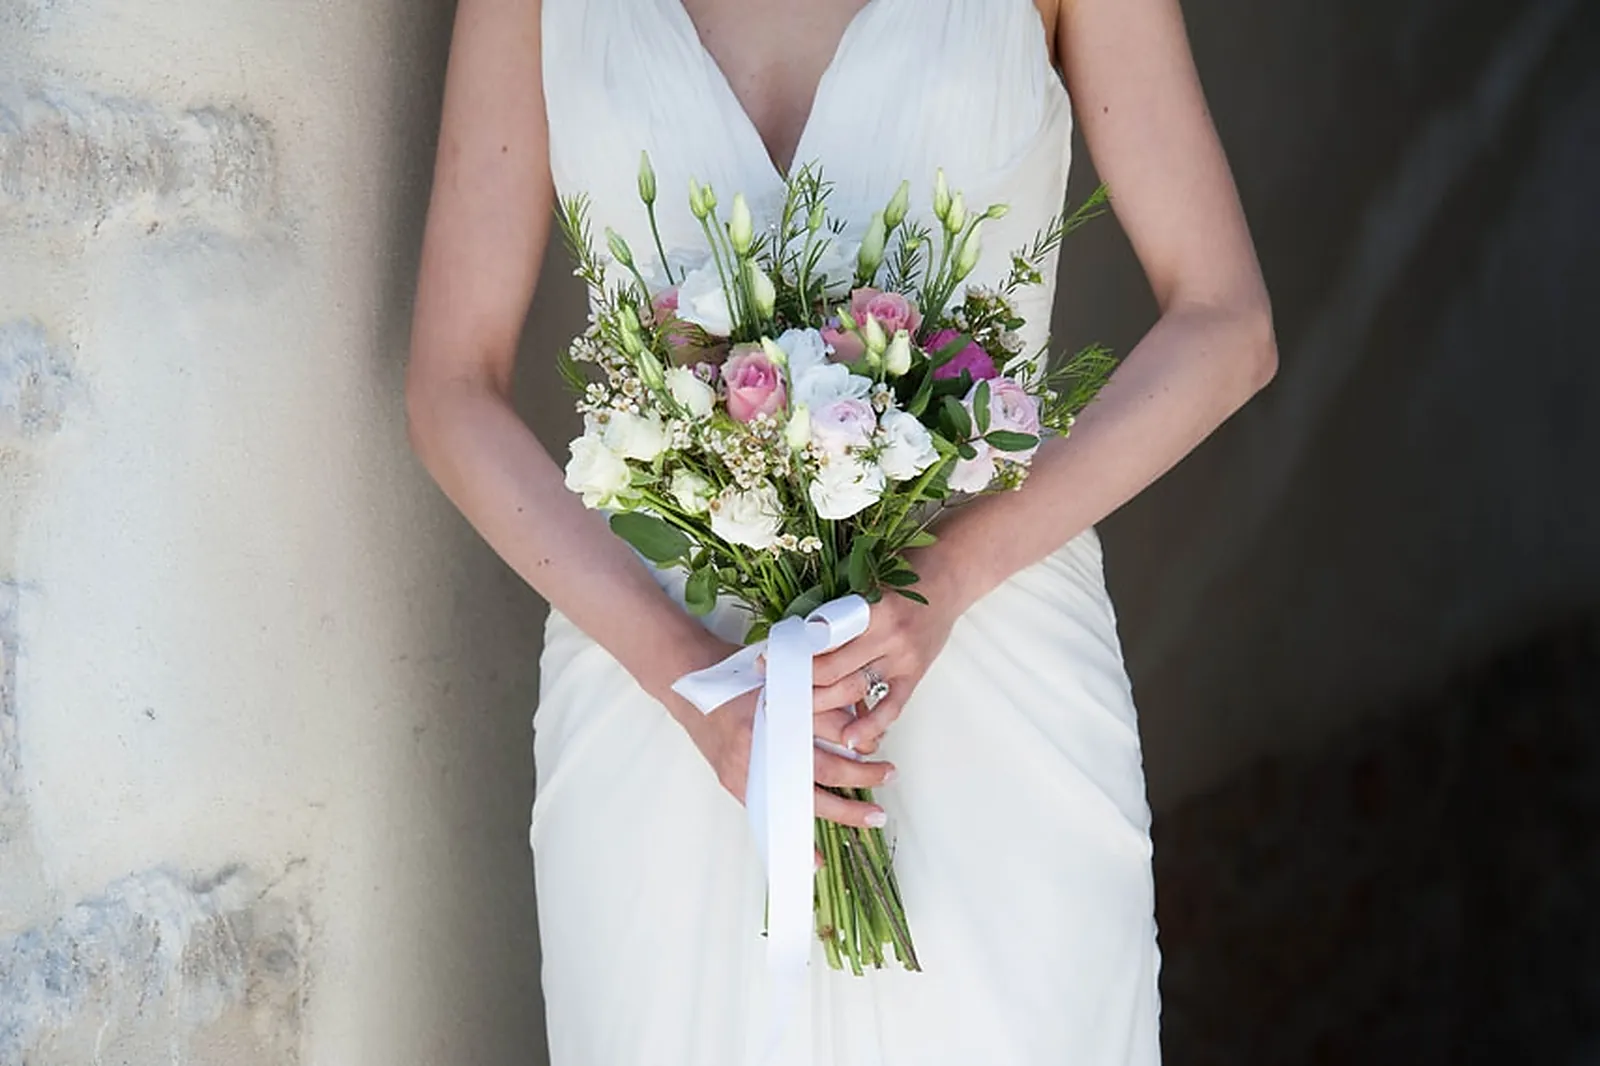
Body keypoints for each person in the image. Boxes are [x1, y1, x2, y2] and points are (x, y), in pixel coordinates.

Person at [405, 0, 1275, 1061]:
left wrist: (948, 574)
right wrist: (693, 681)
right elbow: (451, 388)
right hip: (657, 698)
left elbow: (1226, 324)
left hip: (990, 668)